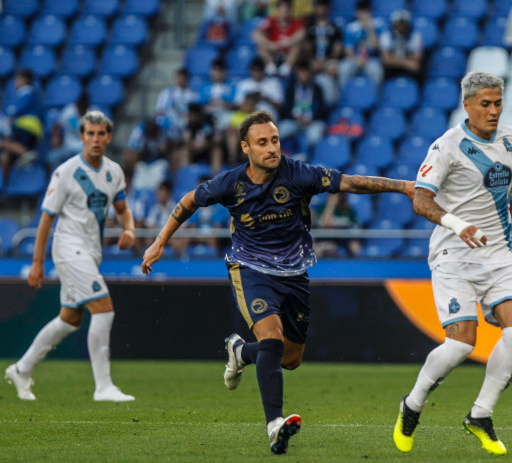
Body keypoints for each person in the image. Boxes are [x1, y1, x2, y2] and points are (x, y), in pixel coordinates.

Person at [141, 110, 414, 454]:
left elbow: (349, 182)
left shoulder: (299, 174)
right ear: (245, 148)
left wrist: (403, 186)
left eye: (275, 140)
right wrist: (160, 241)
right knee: (271, 337)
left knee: (291, 358)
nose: (272, 148)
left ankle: (240, 351)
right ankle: (274, 425)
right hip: (250, 268)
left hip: (295, 273)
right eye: (262, 143)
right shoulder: (230, 182)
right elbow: (188, 202)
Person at [393, 71, 512, 456]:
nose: (493, 111)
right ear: (467, 105)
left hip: (498, 251)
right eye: (485, 104)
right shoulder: (446, 147)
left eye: (498, 103)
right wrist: (458, 224)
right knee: (460, 346)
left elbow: (508, 169)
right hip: (453, 255)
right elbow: (421, 200)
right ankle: (413, 403)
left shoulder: (511, 137)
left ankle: (481, 415)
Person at [4, 111, 136, 402]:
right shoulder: (65, 172)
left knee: (70, 319)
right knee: (104, 309)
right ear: (81, 137)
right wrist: (38, 263)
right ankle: (103, 387)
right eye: (90, 134)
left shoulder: (114, 171)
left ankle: (22, 369)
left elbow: (123, 209)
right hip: (68, 248)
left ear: (109, 137)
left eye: (101, 134)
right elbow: (46, 220)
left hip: (91, 251)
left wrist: (130, 229)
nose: (96, 139)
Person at [252, 0, 305, 76]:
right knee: (260, 46)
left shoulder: (296, 22)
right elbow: (256, 34)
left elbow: (302, 34)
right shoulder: (271, 21)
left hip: (288, 53)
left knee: (297, 46)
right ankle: (271, 66)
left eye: (286, 10)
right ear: (278, 10)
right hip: (274, 51)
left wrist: (288, 42)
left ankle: (286, 68)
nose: (284, 13)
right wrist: (269, 44)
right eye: (282, 10)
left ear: (290, 10)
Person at [379, 9, 423, 80]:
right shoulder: (386, 36)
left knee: (417, 68)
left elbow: (416, 59)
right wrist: (405, 63)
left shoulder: (415, 36)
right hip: (394, 67)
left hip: (404, 64)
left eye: (403, 24)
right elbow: (386, 59)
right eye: (398, 24)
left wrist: (394, 59)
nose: (401, 27)